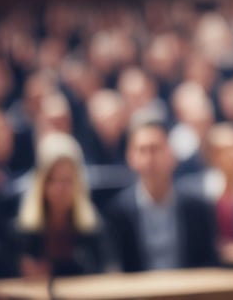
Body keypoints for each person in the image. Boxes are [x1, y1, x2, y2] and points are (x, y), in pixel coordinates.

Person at [105, 114, 218, 272]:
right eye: (142, 150)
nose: (149, 158)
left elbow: (210, 263)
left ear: (171, 154)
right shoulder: (118, 212)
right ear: (130, 157)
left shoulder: (198, 208)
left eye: (156, 148)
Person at [13, 132, 108, 277]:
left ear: (78, 185)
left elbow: (107, 273)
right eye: (52, 180)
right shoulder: (21, 232)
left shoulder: (94, 229)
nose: (60, 189)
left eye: (67, 181)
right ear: (41, 184)